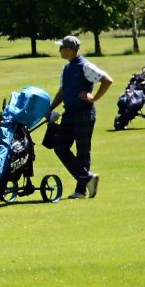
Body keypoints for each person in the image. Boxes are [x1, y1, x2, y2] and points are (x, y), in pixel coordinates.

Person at [52, 35, 111, 199]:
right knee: (60, 147)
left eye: (62, 47)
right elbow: (63, 91)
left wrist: (94, 97)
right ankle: (87, 179)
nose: (59, 50)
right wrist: (50, 108)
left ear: (70, 50)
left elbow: (107, 80)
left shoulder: (85, 66)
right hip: (69, 113)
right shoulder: (67, 68)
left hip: (84, 113)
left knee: (82, 152)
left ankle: (81, 190)